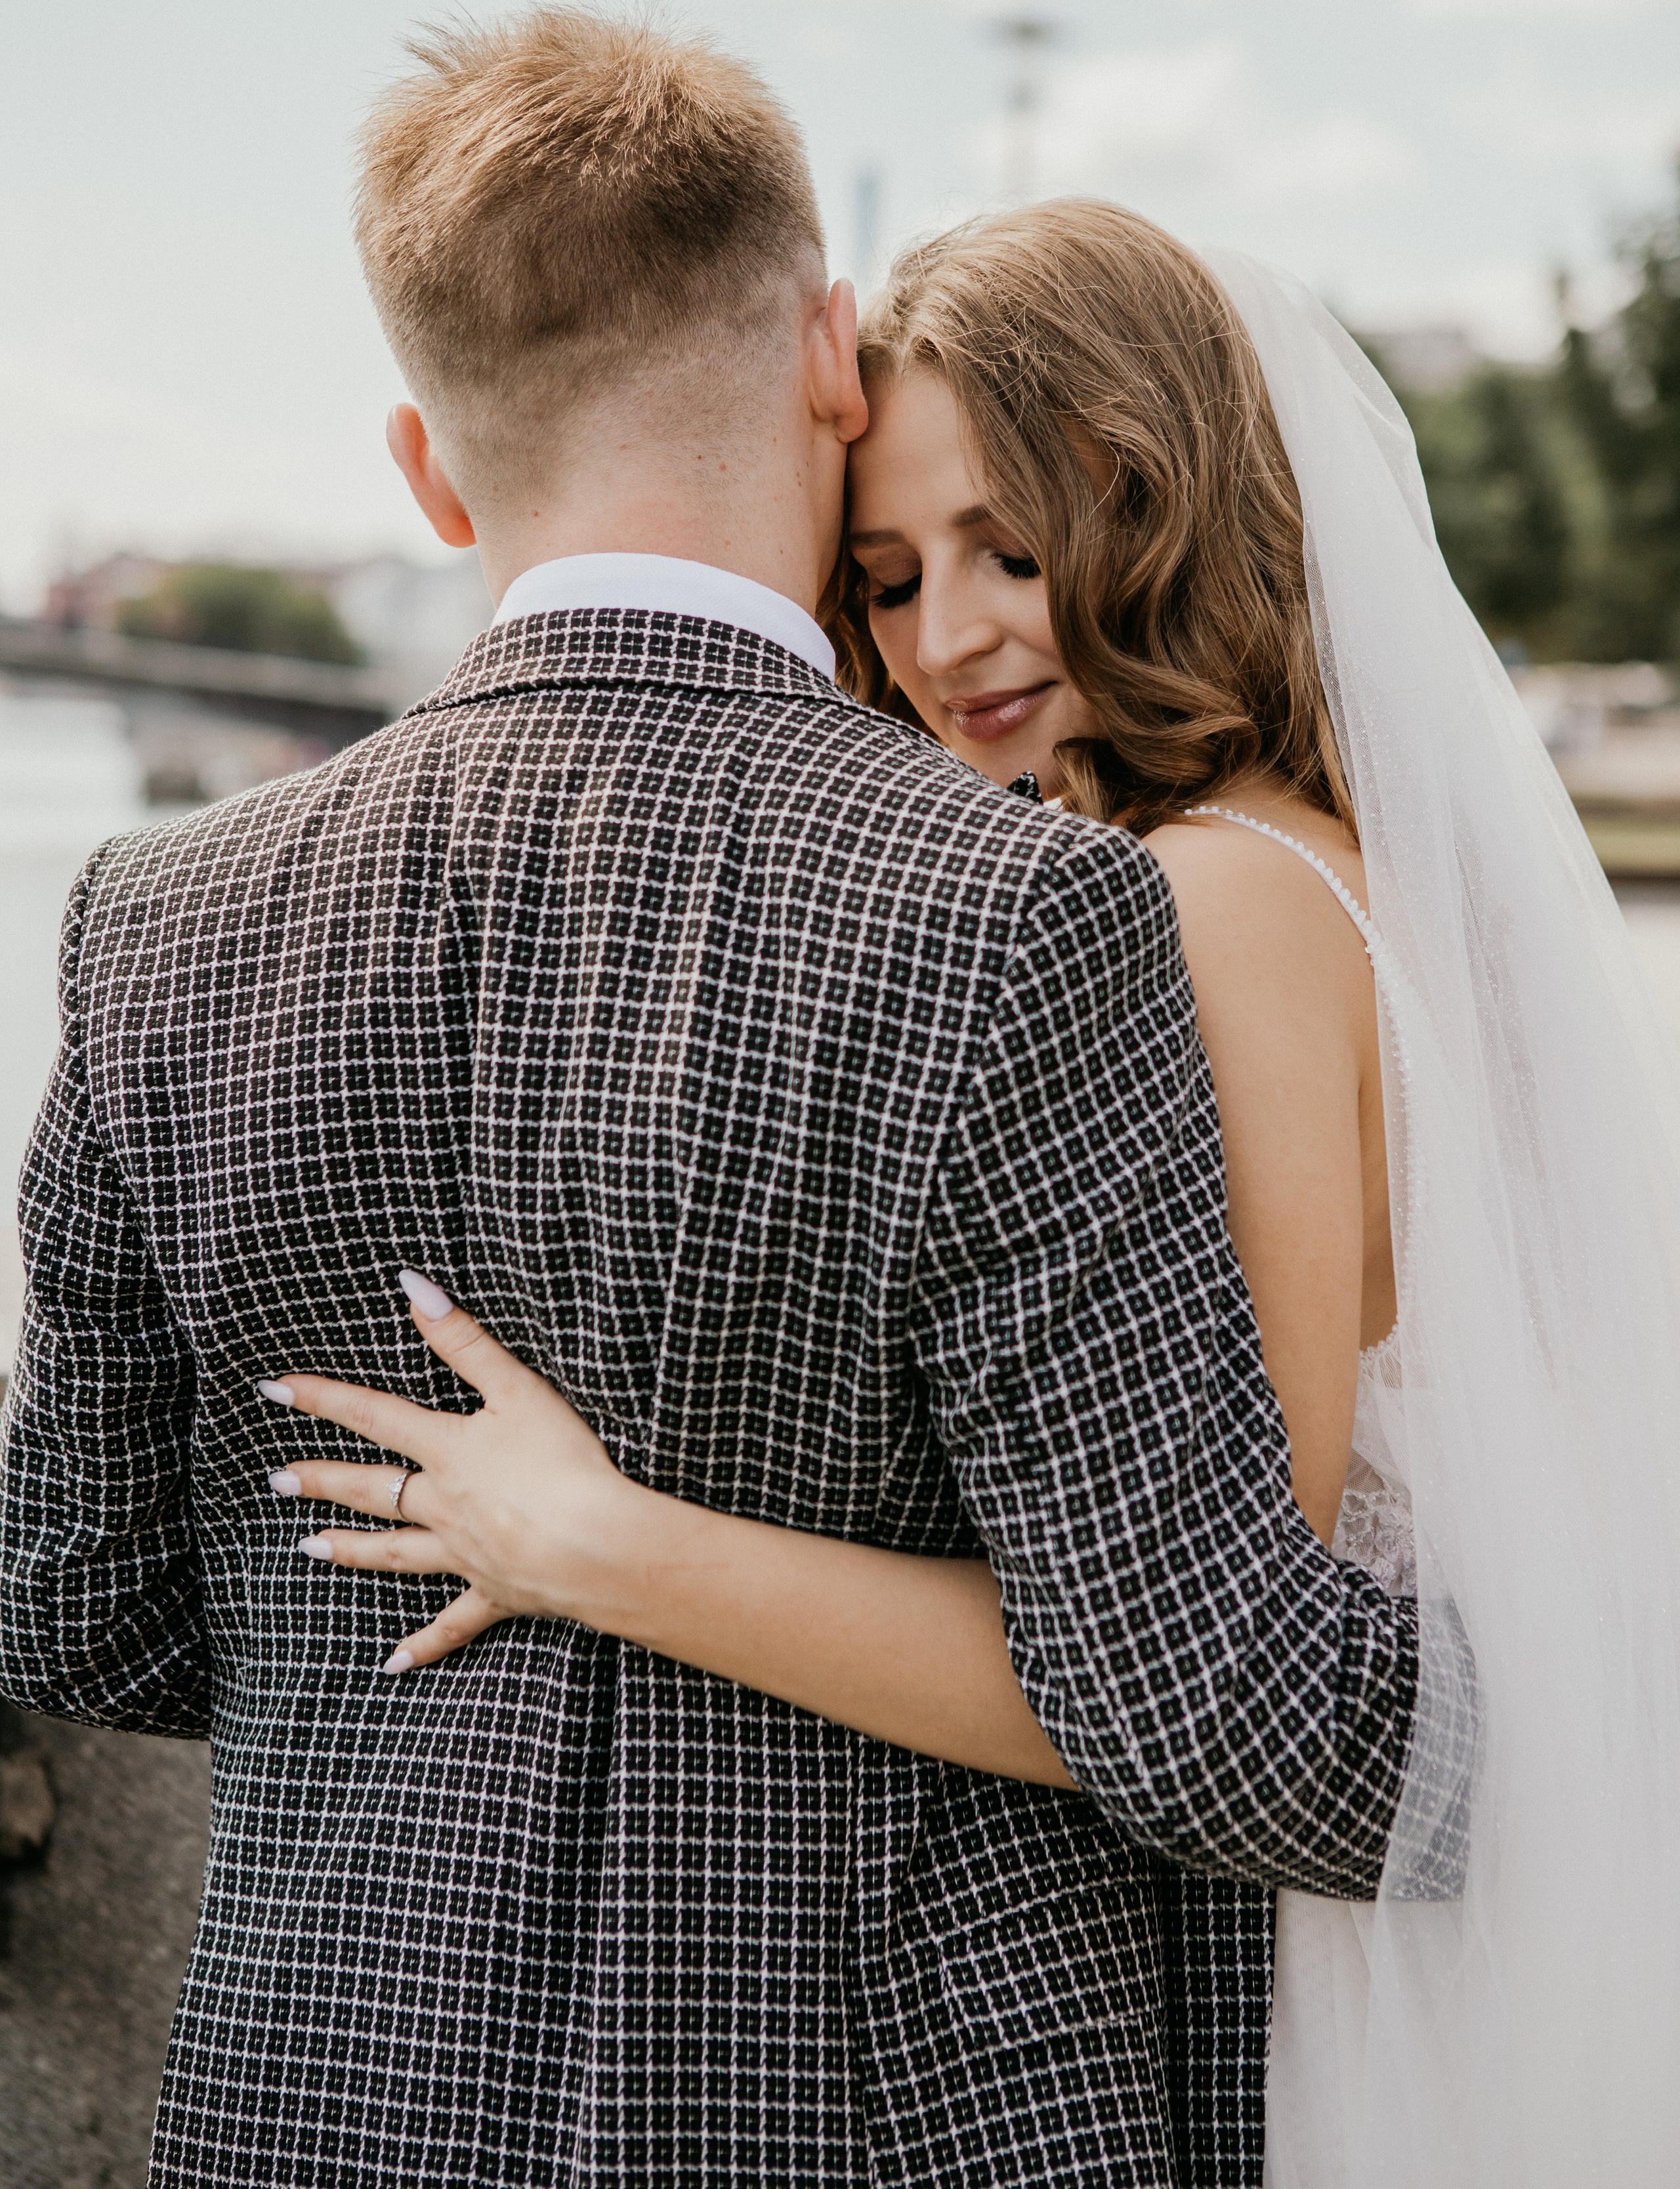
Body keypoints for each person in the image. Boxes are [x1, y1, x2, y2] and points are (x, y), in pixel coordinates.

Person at [0, 18, 1425, 2187]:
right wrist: (1521, 1736)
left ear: (430, 471)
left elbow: (83, 1610)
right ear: (832, 357)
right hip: (895, 2115)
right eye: (903, 570)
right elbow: (1216, 1704)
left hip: (323, 2093)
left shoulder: (151, 923)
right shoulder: (1027, 914)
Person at [269, 198, 1680, 2183]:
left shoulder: (1218, 901)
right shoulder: (1343, 859)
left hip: (1318, 1955)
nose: (944, 642)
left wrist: (595, 1541)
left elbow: (1213, 1663)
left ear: (1166, 504)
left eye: (1012, 549)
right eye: (890, 575)